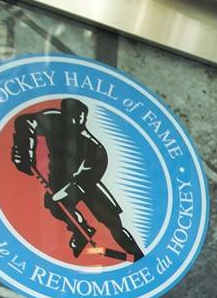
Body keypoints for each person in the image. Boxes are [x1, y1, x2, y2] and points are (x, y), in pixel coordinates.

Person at [10, 98, 144, 261]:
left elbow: (84, 180)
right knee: (54, 204)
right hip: (59, 180)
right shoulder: (54, 120)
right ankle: (81, 230)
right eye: (70, 116)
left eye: (79, 117)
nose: (74, 121)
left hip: (87, 184)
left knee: (113, 222)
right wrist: (25, 150)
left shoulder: (94, 147)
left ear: (84, 118)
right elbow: (25, 122)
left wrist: (61, 194)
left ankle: (139, 256)